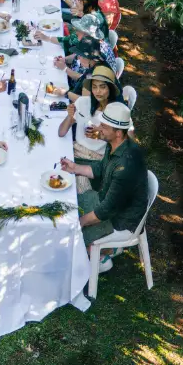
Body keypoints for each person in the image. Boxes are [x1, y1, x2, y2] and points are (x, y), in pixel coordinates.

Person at [60, 102, 149, 266]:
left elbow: (107, 209)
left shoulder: (126, 165)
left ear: (118, 133)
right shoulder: (115, 144)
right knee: (68, 208)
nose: (99, 129)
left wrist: (80, 222)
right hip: (107, 202)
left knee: (71, 232)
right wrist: (75, 168)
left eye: (104, 127)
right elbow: (101, 168)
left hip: (121, 221)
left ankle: (101, 257)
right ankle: (98, 251)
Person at [57, 66, 126, 190]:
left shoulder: (116, 112)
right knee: (53, 172)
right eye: (94, 87)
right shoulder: (83, 102)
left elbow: (126, 147)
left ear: (110, 89)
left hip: (96, 160)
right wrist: (70, 117)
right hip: (74, 151)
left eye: (102, 87)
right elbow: (61, 132)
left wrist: (102, 136)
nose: (98, 91)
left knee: (68, 187)